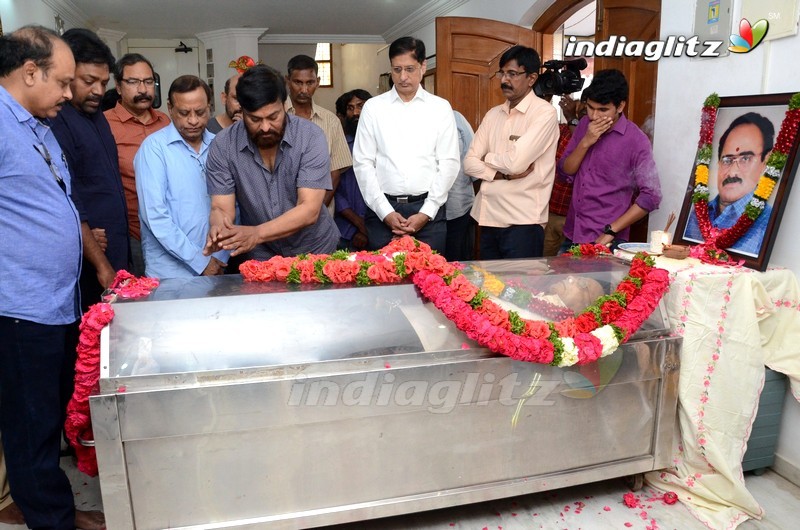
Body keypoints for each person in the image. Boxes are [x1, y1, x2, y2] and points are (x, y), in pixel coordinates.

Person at [0, 25, 105, 530]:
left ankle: (55, 507)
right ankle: (53, 521)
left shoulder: (38, 125)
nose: (69, 92)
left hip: (57, 304)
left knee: (51, 420)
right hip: (19, 308)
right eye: (62, 82)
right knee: (31, 428)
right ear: (29, 72)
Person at [204, 65, 339, 260]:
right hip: (262, 255)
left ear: (284, 105)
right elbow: (222, 207)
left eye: (273, 117)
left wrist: (256, 233)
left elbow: (309, 209)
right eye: (255, 119)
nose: (265, 127)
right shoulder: (223, 145)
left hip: (316, 250)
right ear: (242, 110)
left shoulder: (310, 137)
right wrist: (219, 228)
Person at [353, 36, 460, 253]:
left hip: (428, 210)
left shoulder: (440, 108)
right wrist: (385, 212)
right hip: (383, 210)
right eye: (397, 69)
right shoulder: (374, 108)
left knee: (430, 280)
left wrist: (426, 212)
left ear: (423, 66)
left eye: (410, 69)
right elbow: (363, 163)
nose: (402, 77)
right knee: (382, 280)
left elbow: (449, 163)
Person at [51, 28, 129, 311]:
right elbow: (67, 195)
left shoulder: (95, 114)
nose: (98, 90)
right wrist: (101, 263)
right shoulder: (58, 120)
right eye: (89, 81)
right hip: (90, 259)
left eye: (104, 82)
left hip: (115, 250)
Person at [464, 45, 559, 259]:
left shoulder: (544, 114)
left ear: (532, 78)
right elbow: (469, 163)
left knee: (520, 291)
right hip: (487, 217)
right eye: (502, 73)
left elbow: (516, 163)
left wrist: (487, 158)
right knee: (490, 288)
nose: (504, 80)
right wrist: (500, 173)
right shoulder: (493, 114)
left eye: (513, 74)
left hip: (522, 222)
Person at [135, 75, 229, 278]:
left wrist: (221, 257)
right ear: (170, 108)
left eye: (200, 112)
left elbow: (234, 206)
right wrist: (201, 262)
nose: (193, 120)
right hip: (170, 274)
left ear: (210, 107)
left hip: (218, 267)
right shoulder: (153, 149)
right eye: (184, 113)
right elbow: (155, 217)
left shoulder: (219, 145)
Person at [558, 69, 662, 250]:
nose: (594, 116)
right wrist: (585, 142)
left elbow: (651, 196)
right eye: (590, 107)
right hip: (572, 233)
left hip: (608, 242)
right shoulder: (584, 125)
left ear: (620, 106)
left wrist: (610, 232)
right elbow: (565, 170)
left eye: (603, 110)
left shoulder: (636, 140)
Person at [105, 53, 170, 276]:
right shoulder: (104, 124)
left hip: (173, 231)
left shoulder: (166, 121)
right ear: (119, 87)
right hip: (132, 234)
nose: (143, 89)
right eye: (133, 82)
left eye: (149, 81)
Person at [683, 112, 774, 256]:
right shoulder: (696, 215)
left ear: (765, 162)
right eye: (727, 160)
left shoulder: (767, 222)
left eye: (745, 159)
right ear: (718, 163)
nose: (732, 173)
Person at [285, 54, 352, 208]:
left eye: (310, 83)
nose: (304, 89)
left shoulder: (331, 121)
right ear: (287, 81)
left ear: (318, 82)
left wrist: (316, 211)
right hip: (281, 213)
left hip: (322, 212)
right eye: (298, 82)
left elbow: (334, 173)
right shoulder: (275, 117)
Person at [543, 93, 584, 256]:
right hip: (549, 211)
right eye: (581, 114)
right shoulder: (562, 130)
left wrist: (571, 118)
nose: (585, 120)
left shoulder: (594, 139)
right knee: (542, 264)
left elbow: (582, 142)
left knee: (565, 267)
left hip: (572, 216)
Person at [334, 89, 372, 250]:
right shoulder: (339, 146)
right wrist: (359, 224)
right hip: (343, 229)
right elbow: (334, 189)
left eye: (360, 106)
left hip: (377, 227)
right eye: (350, 108)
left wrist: (366, 229)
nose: (356, 112)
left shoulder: (381, 145)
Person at [444, 110, 476, 262]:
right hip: (418, 211)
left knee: (458, 262)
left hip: (457, 207)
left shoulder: (456, 118)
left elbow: (473, 157)